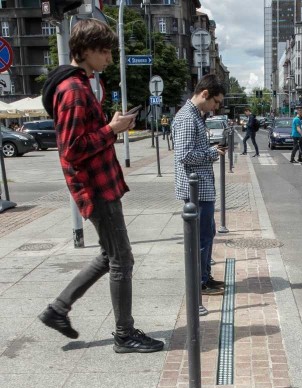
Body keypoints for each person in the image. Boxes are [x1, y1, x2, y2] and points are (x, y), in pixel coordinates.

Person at [38, 19, 164, 353]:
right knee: (122, 259)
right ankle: (125, 335)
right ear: (86, 51)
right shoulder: (74, 91)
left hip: (99, 184)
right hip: (96, 187)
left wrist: (111, 125)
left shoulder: (78, 85)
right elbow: (73, 148)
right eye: (104, 51)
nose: (109, 58)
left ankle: (58, 309)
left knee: (111, 256)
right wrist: (112, 130)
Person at [173, 73, 227, 295]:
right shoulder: (187, 117)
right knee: (202, 237)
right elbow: (185, 154)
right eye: (215, 102)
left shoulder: (195, 115)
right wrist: (212, 152)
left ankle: (205, 276)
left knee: (208, 233)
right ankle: (200, 283)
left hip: (202, 187)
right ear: (205, 94)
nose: (215, 107)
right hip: (195, 189)